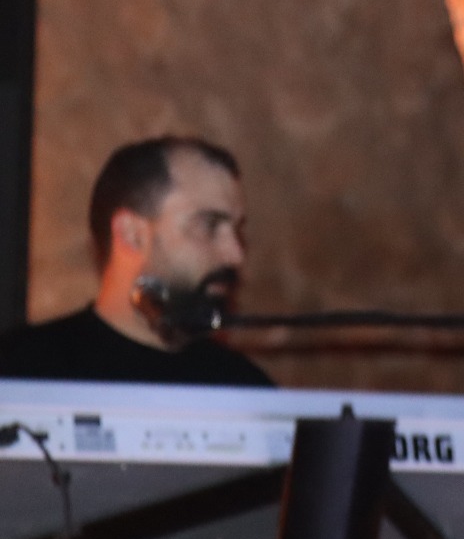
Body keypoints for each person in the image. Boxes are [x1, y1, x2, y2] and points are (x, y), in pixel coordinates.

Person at [0, 135, 271, 386]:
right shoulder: (21, 370)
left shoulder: (243, 387)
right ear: (131, 234)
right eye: (208, 225)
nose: (236, 254)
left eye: (237, 230)